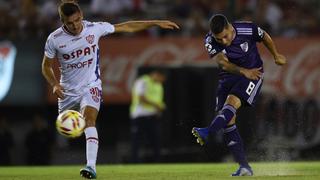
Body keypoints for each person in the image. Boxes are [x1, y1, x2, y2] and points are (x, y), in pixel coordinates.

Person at [41, 2, 179, 179]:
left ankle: (91, 167)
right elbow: (46, 66)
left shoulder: (94, 28)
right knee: (67, 131)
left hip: (91, 86)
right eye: (70, 23)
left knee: (89, 121)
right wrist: (54, 84)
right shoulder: (54, 39)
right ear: (62, 21)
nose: (75, 25)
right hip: (67, 91)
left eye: (77, 20)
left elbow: (126, 26)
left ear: (81, 14)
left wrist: (155, 22)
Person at [191, 14, 286, 176]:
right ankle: (244, 167)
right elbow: (222, 62)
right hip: (228, 77)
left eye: (225, 37)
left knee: (232, 102)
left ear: (230, 27)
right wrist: (243, 71)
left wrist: (276, 55)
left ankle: (208, 132)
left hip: (253, 74)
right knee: (228, 121)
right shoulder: (209, 40)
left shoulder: (248, 29)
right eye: (219, 39)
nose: (224, 42)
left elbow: (265, 37)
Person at [130, 70, 166, 163]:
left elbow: (158, 101)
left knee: (156, 140)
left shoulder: (159, 85)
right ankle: (135, 162)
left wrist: (159, 109)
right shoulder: (143, 81)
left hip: (152, 116)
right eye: (161, 78)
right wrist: (156, 105)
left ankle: (157, 162)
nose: (161, 81)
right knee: (137, 141)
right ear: (156, 74)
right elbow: (141, 98)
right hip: (140, 115)